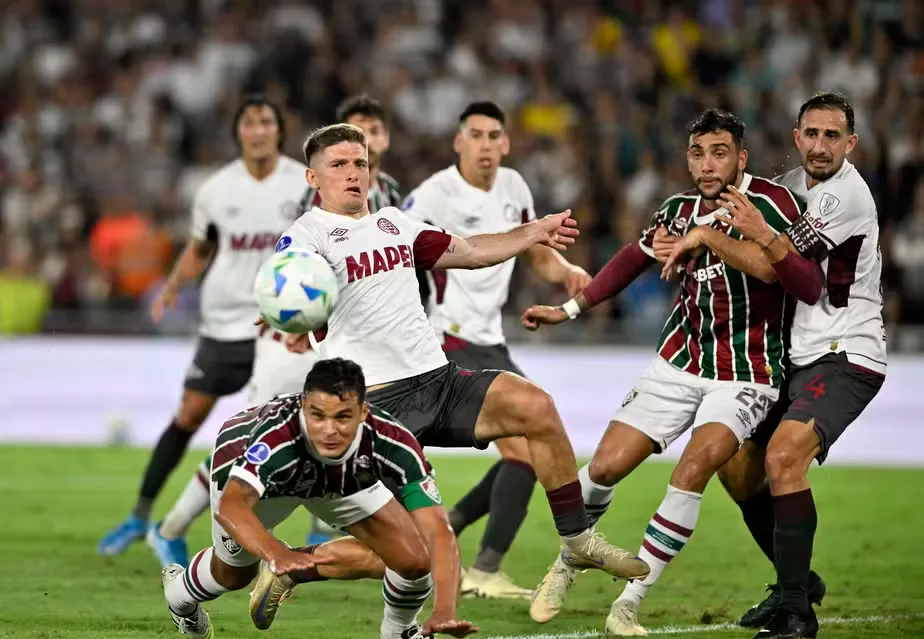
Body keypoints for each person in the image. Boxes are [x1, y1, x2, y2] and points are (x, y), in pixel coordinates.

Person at [276, 123, 650, 585]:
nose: (353, 173)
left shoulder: (394, 223)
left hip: (439, 380)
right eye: (338, 165)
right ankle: (293, 565)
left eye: (360, 163)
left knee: (536, 405)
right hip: (377, 403)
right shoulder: (307, 236)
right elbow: (289, 288)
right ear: (313, 178)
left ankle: (576, 542)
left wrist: (531, 232)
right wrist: (289, 311)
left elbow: (471, 251)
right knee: (410, 555)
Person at [521, 109, 816, 635]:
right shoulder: (677, 209)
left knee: (692, 471)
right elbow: (631, 260)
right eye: (698, 153)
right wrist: (566, 311)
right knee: (605, 468)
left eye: (719, 152)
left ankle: (630, 603)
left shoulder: (775, 203)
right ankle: (567, 562)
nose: (707, 164)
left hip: (745, 373)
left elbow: (778, 268)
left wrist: (706, 237)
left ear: (741, 157)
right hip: (677, 362)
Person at [695, 92, 886, 639]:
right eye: (812, 134)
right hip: (797, 354)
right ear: (797, 136)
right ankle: (793, 581)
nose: (821, 145)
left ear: (850, 144)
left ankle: (797, 614)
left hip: (847, 353)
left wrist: (719, 234)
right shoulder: (794, 189)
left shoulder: (844, 196)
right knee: (735, 466)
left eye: (833, 136)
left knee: (783, 459)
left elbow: (776, 266)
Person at [98, 95, 312, 563]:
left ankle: (317, 527)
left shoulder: (303, 183)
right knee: (189, 414)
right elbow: (200, 247)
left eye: (266, 122)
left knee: (303, 416)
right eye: (249, 123)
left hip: (280, 323)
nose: (257, 131)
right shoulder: (216, 189)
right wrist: (172, 286)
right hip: (223, 322)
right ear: (239, 132)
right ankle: (141, 515)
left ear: (279, 130)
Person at [401, 101, 591, 599]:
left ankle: (449, 528)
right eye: (476, 135)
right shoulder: (431, 195)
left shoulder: (514, 187)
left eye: (494, 137)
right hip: (448, 338)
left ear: (506, 144)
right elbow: (392, 250)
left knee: (529, 448)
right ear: (458, 142)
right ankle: (485, 568)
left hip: (491, 340)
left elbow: (536, 251)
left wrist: (565, 274)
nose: (486, 146)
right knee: (526, 446)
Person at [161, 357, 474, 639]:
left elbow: (438, 530)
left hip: (339, 478)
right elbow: (232, 506)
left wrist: (445, 612)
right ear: (303, 409)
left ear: (364, 412)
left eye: (342, 417)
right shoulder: (276, 438)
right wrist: (275, 553)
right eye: (318, 416)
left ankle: (399, 632)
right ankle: (179, 596)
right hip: (255, 473)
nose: (329, 430)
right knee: (233, 575)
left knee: (416, 558)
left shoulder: (393, 441)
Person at [298, 93, 403, 545]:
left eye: (375, 131)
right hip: (336, 331)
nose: (369, 142)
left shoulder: (395, 197)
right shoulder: (316, 205)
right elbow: (305, 263)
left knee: (375, 434)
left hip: (390, 335)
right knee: (334, 421)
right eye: (359, 132)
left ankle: (353, 520)